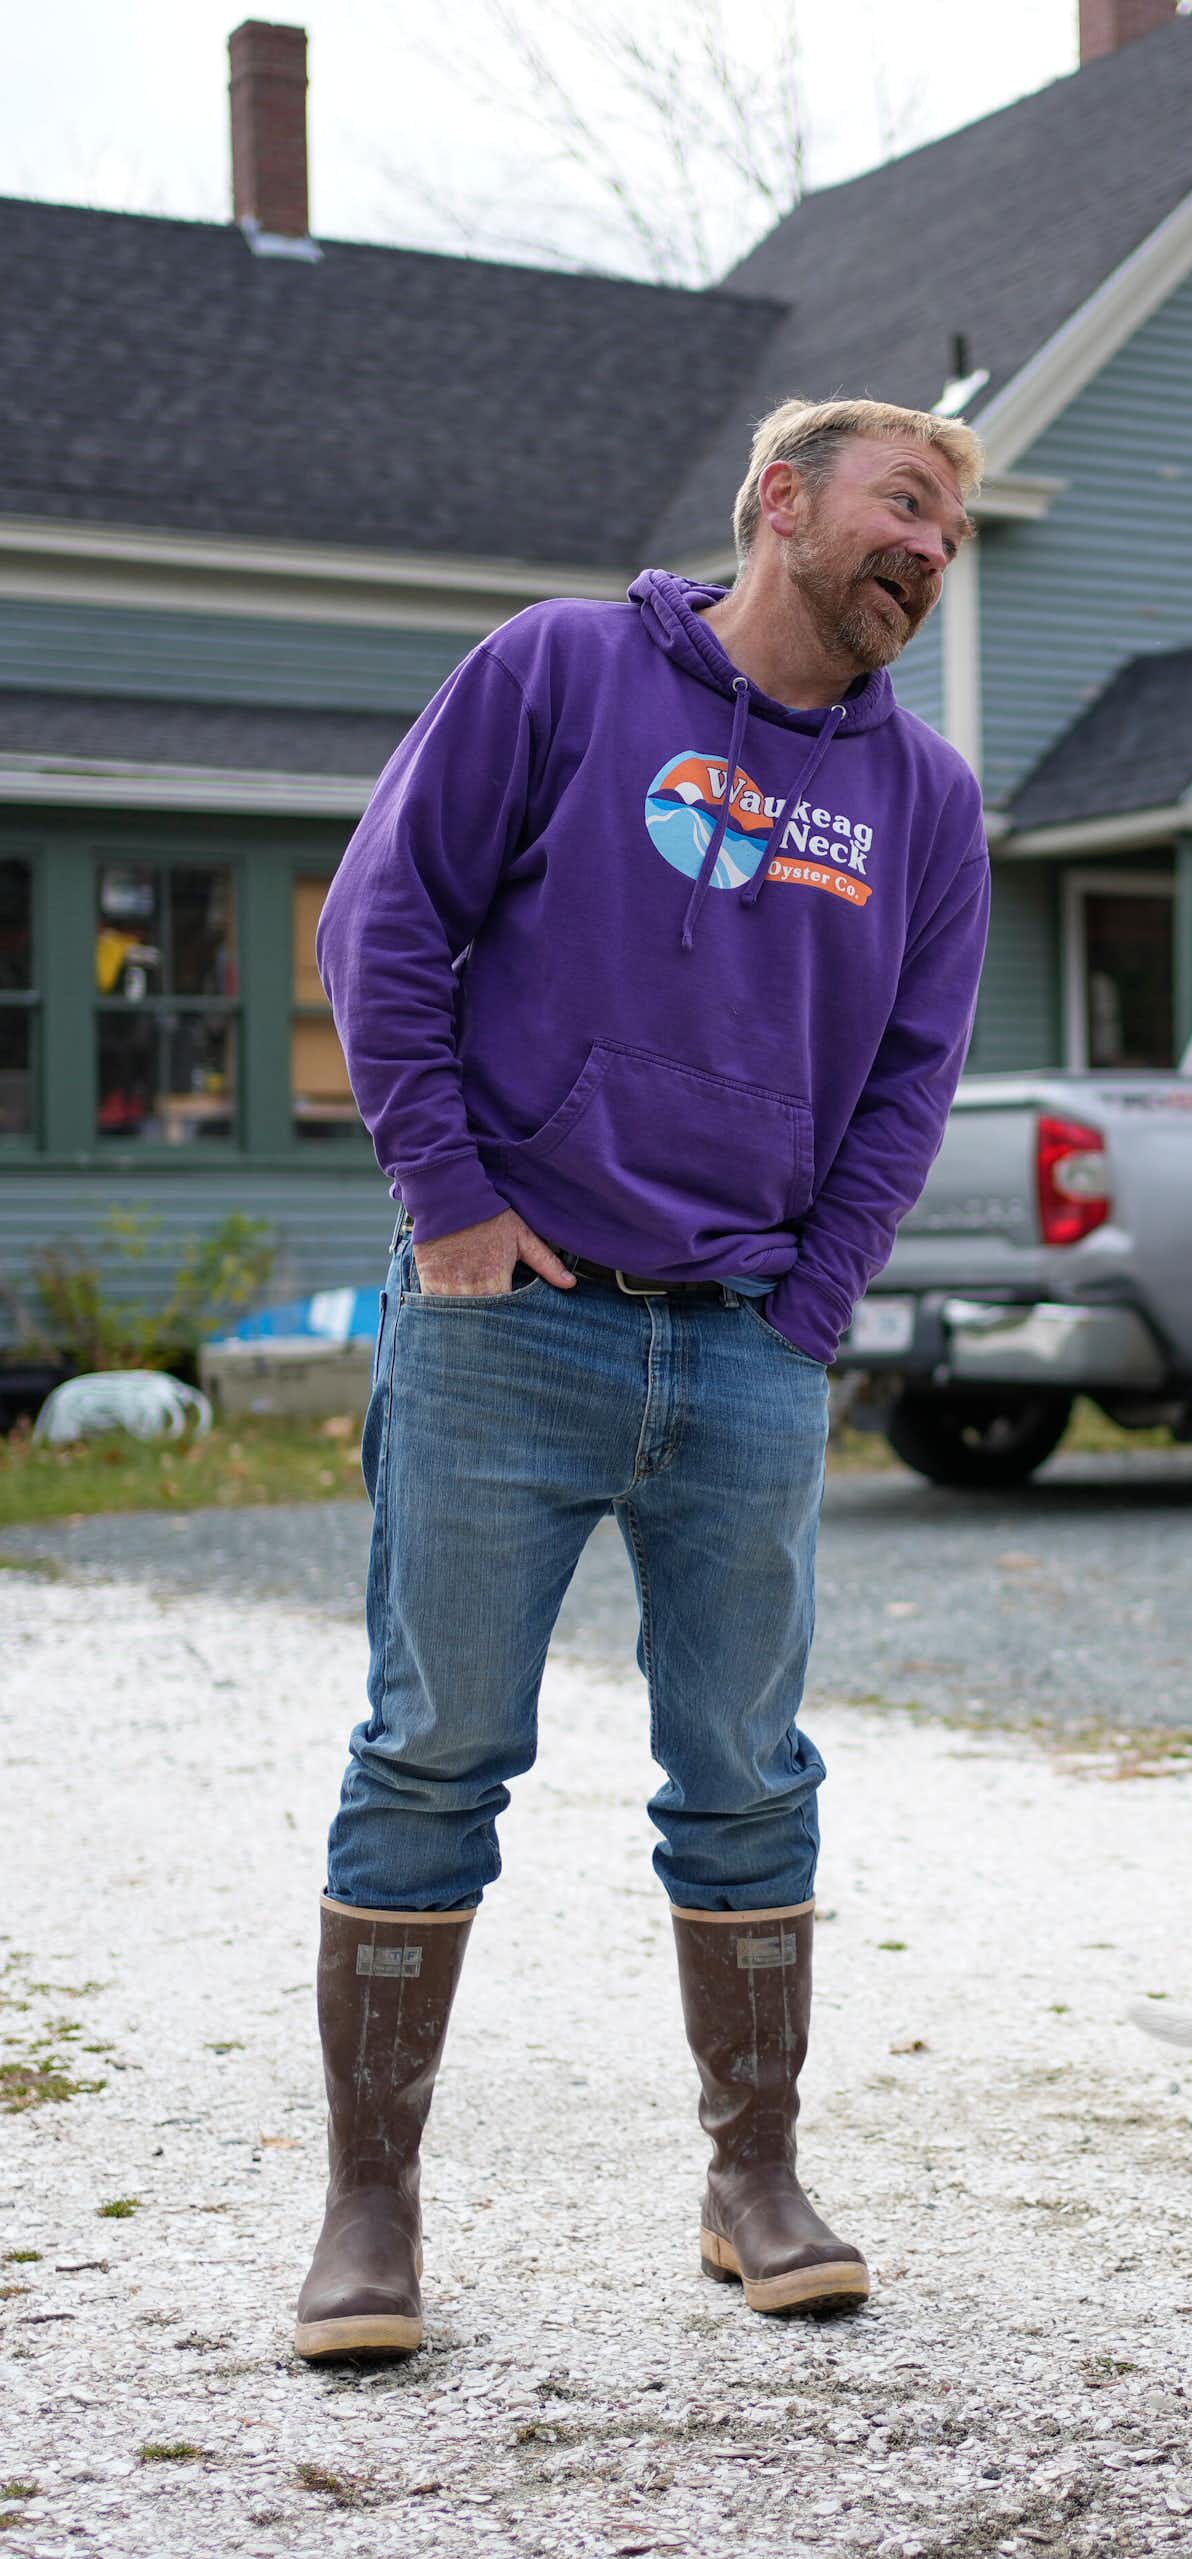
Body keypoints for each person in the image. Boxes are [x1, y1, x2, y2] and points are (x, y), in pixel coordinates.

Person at [292, 397, 989, 2364]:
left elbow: (910, 1074)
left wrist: (811, 1304)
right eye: (903, 504)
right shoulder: (561, 670)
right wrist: (448, 1212)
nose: (933, 547)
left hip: (746, 1348)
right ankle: (369, 2207)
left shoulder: (923, 802)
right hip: (513, 1324)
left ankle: (751, 2173)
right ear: (777, 501)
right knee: (431, 1756)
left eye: (956, 528)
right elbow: (382, 925)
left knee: (749, 1775)